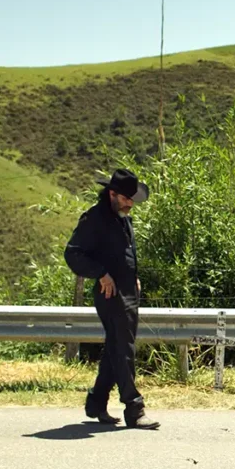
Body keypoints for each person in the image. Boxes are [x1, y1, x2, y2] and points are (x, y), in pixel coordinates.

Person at [64, 168, 159, 429]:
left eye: (132, 199)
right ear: (112, 193)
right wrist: (101, 274)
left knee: (117, 347)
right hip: (110, 293)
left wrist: (134, 276)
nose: (130, 203)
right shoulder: (94, 219)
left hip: (128, 290)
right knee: (124, 348)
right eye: (126, 198)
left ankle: (96, 403)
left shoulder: (122, 217)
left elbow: (127, 251)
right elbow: (73, 253)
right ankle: (134, 408)